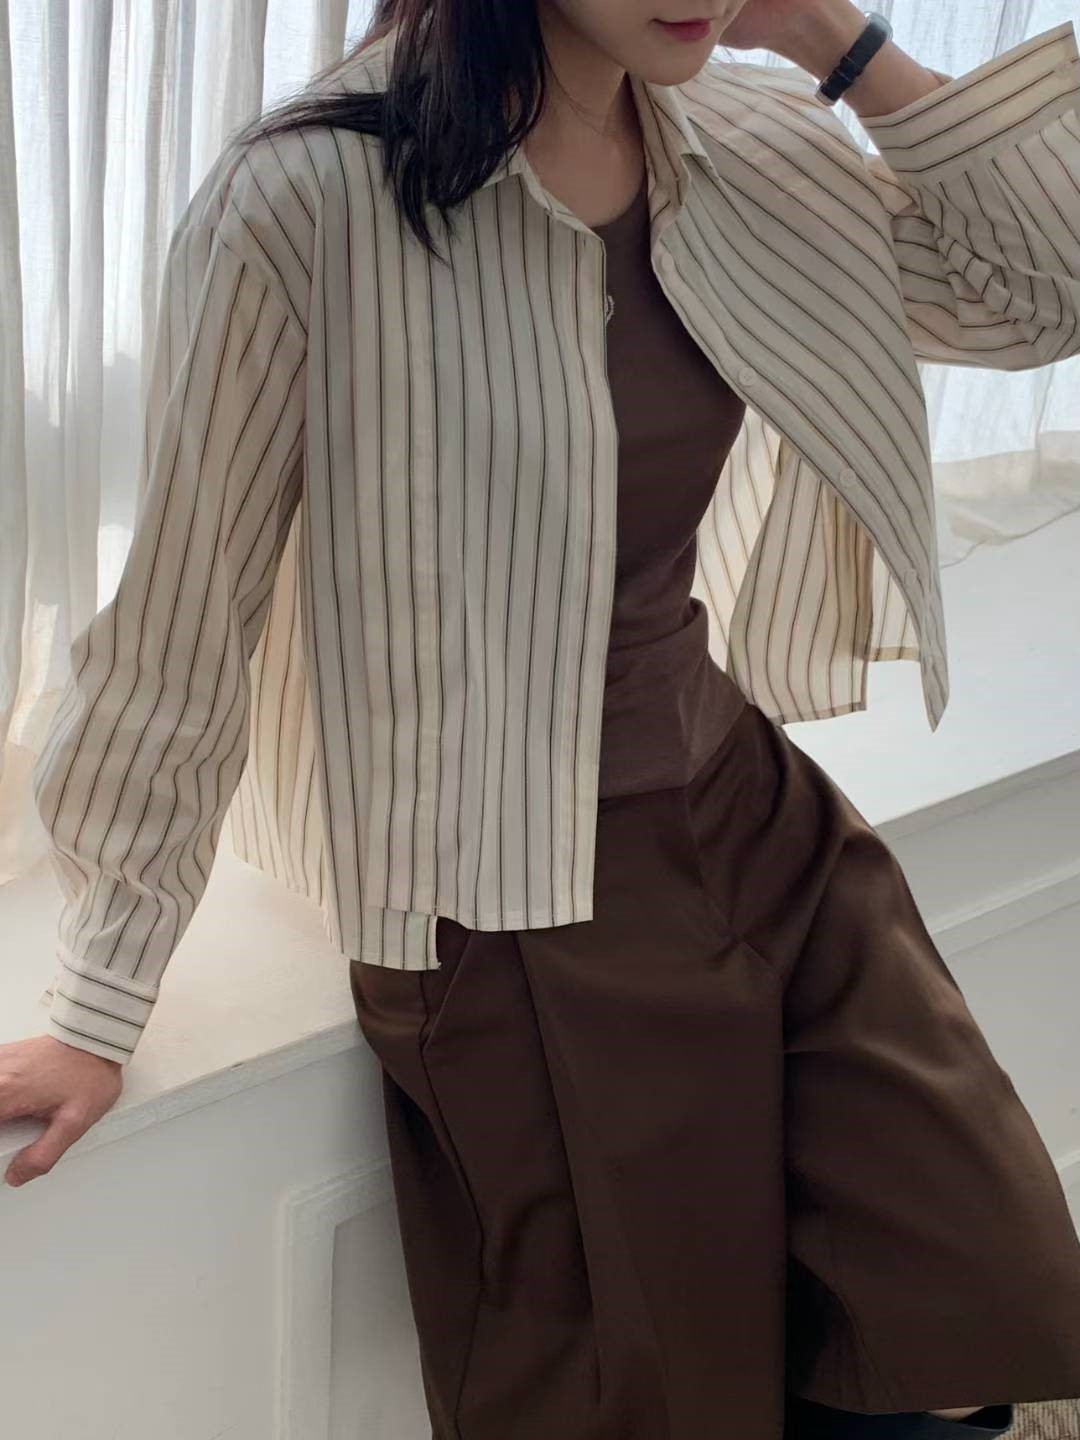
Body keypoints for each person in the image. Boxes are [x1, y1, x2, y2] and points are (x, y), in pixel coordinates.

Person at [4, 0, 1080, 1435]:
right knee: (655, 1395)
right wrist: (98, 1002)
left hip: (756, 831)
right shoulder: (311, 197)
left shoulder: (750, 143)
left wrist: (835, 39)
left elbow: (1043, 291)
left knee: (968, 1295)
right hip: (514, 918)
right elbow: (185, 617)